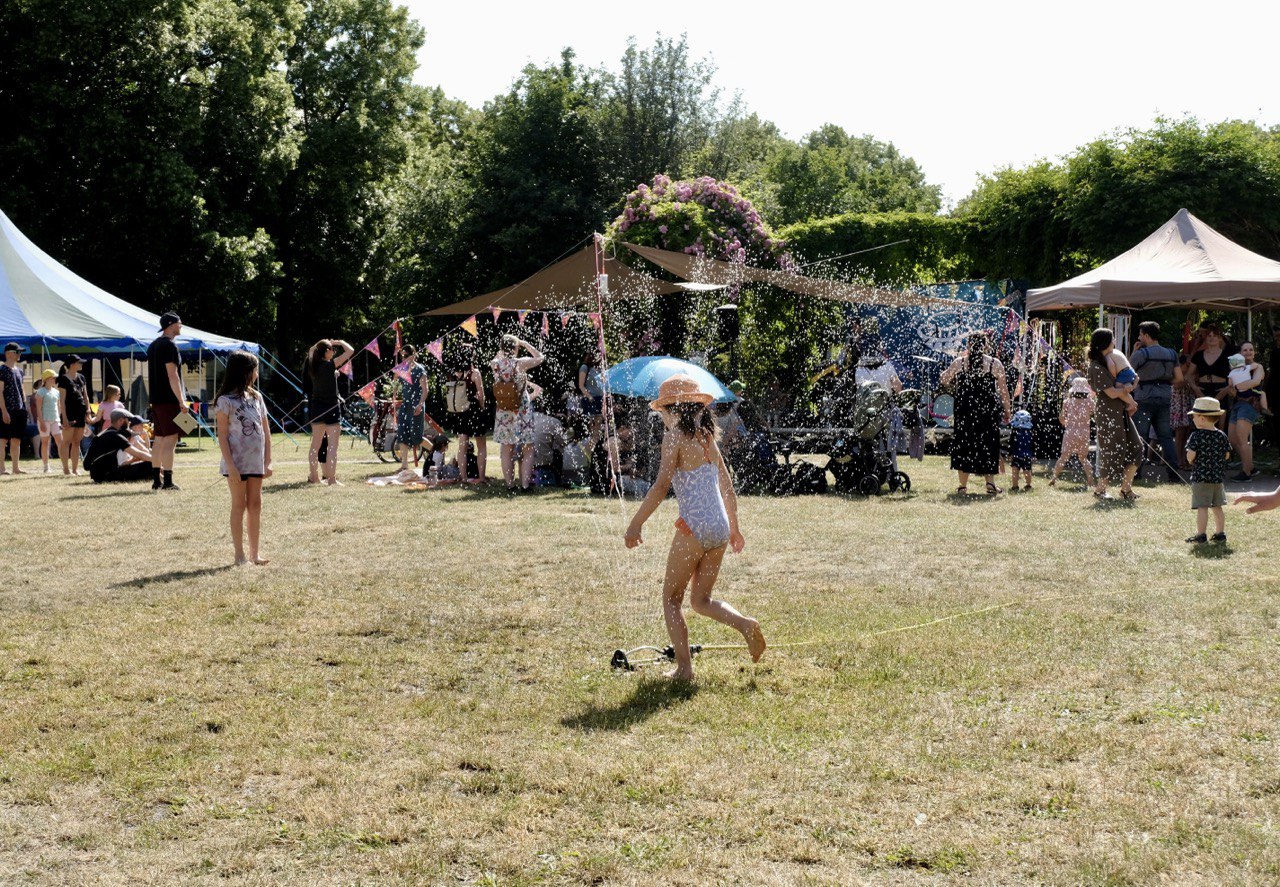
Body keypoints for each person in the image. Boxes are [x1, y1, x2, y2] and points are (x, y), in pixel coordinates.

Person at [624, 374, 765, 681]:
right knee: (701, 600)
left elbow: (661, 486)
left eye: (663, 410)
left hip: (694, 527)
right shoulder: (707, 437)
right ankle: (745, 624)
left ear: (672, 409)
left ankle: (684, 669)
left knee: (671, 599)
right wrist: (734, 529)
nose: (662, 417)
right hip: (719, 527)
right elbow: (727, 486)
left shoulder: (674, 436)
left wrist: (636, 524)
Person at [215, 351, 272, 565]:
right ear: (245, 372)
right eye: (255, 370)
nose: (257, 373)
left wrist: (268, 461)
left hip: (256, 462)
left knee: (255, 504)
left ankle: (255, 554)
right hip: (236, 464)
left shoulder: (256, 397)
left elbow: (266, 431)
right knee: (239, 505)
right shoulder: (225, 401)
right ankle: (239, 555)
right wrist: (231, 466)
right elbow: (222, 436)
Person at [939, 330, 1012, 495]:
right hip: (987, 412)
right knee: (988, 444)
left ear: (969, 345)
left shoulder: (959, 363)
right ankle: (990, 483)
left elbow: (944, 379)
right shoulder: (995, 364)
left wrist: (950, 370)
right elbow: (1004, 391)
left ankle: (962, 486)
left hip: (965, 411)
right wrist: (1008, 411)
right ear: (985, 345)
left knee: (964, 444)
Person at [1086, 328, 1142, 501]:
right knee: (1112, 451)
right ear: (1105, 343)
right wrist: (1128, 391)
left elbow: (1122, 386)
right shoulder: (1096, 366)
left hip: (1120, 410)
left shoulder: (1110, 361)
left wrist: (1130, 390)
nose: (1115, 341)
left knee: (1137, 447)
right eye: (1112, 339)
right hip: (1107, 413)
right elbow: (1111, 393)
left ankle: (1126, 489)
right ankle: (1100, 490)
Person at [491, 334, 544, 493]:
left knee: (506, 449)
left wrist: (503, 349)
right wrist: (525, 344)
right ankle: (525, 485)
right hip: (522, 409)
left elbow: (498, 357)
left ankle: (510, 485)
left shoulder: (495, 364)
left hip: (504, 410)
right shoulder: (520, 363)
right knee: (528, 447)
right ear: (515, 348)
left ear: (501, 348)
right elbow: (540, 357)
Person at [1130, 321, 1180, 480]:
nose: (1139, 338)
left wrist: (1134, 352)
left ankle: (1136, 472)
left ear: (1146, 335)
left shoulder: (1141, 354)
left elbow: (1128, 373)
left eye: (1140, 335)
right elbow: (1179, 378)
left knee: (1140, 436)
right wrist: (1164, 383)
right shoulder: (1172, 353)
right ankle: (1174, 473)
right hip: (1165, 396)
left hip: (1144, 397)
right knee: (1166, 437)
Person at [147, 313, 190, 490]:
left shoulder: (153, 345)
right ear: (171, 325)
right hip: (168, 399)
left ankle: (156, 481)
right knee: (170, 440)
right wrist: (181, 400)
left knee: (159, 439)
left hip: (156, 399)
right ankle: (168, 482)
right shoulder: (170, 345)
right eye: (179, 323)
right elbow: (172, 375)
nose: (181, 326)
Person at [304, 338, 354, 485]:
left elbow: (311, 350)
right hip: (332, 408)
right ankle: (331, 479)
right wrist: (339, 342)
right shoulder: (330, 365)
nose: (334, 352)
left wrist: (322, 343)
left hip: (317, 409)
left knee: (315, 446)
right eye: (332, 349)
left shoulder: (312, 365)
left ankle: (314, 477)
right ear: (326, 351)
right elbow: (350, 351)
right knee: (332, 447)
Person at [1185, 396, 1230, 544]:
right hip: (1217, 478)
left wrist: (1190, 460)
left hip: (1201, 478)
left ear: (1202, 418)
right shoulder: (1222, 435)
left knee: (1202, 507)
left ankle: (1201, 535)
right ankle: (1220, 533)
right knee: (1217, 507)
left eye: (1194, 416)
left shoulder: (1196, 435)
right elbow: (1227, 455)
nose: (1193, 419)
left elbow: (1191, 455)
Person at [443, 344, 488, 484]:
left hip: (461, 412)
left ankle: (463, 478)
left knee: (462, 447)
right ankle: (481, 478)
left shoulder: (455, 373)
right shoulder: (475, 373)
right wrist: (482, 407)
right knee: (481, 446)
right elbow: (481, 395)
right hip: (474, 411)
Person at [1224, 343, 1266, 480]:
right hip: (1237, 404)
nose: (1248, 352)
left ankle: (1246, 473)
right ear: (1240, 353)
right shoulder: (1235, 369)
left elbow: (1255, 382)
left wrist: (1238, 385)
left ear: (1254, 352)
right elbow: (1232, 391)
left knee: (1242, 438)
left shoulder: (1258, 367)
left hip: (1250, 405)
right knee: (1232, 439)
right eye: (1245, 350)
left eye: (1251, 350)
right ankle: (1251, 467)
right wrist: (1232, 390)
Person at [1049, 377, 1096, 489]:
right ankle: (1090, 481)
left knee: (1064, 457)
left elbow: (1061, 418)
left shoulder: (1067, 402)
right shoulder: (1090, 402)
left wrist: (1066, 423)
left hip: (1070, 431)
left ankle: (1054, 479)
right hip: (1084, 432)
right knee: (1083, 458)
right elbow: (1094, 414)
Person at [84, 409, 153, 483]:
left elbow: (86, 465)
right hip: (106, 475)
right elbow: (139, 454)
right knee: (150, 465)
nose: (129, 423)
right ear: (121, 420)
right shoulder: (116, 436)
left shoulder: (106, 433)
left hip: (98, 474)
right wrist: (157, 462)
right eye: (128, 420)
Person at [1190, 324, 1231, 429]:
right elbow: (1188, 375)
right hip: (1203, 390)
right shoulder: (1198, 355)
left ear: (1220, 338)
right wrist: (1195, 388)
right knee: (1203, 423)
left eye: (1215, 336)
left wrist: (1227, 389)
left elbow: (1236, 376)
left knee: (1220, 426)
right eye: (1209, 336)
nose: (1212, 338)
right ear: (1205, 338)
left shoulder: (1228, 356)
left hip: (1221, 389)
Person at [57, 355, 91, 477]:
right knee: (66, 442)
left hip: (81, 413)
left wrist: (88, 411)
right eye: (79, 362)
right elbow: (62, 401)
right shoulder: (63, 379)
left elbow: (85, 396)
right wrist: (64, 418)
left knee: (77, 442)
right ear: (72, 364)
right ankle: (66, 470)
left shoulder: (81, 377)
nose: (81, 364)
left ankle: (75, 469)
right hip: (69, 413)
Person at [394, 346, 427, 471]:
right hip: (405, 406)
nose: (404, 358)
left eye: (406, 355)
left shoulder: (420, 369)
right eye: (402, 356)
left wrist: (420, 404)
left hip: (416, 405)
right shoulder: (403, 369)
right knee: (402, 434)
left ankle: (437, 450)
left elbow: (425, 390)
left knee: (416, 437)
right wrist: (394, 391)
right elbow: (396, 384)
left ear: (413, 354)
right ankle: (404, 466)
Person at [0, 342, 28, 475]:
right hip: (6, 409)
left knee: (16, 439)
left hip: (20, 410)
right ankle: (1, 469)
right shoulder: (2, 370)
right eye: (17, 352)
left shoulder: (19, 371)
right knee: (3, 439)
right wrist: (4, 411)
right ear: (9, 354)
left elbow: (22, 390)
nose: (19, 354)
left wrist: (25, 407)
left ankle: (15, 468)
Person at [34, 368, 68, 474]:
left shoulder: (56, 392)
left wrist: (59, 419)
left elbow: (58, 407)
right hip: (44, 420)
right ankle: (46, 466)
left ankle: (64, 466)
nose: (55, 379)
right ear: (47, 379)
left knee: (60, 441)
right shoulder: (40, 392)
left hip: (55, 420)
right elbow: (38, 409)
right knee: (45, 442)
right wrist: (42, 422)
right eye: (53, 378)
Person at [1171, 354, 1200, 468]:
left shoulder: (1191, 376)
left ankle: (1185, 460)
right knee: (1180, 434)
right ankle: (1179, 461)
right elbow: (1176, 385)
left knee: (1187, 433)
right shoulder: (1176, 375)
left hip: (1187, 405)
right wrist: (1189, 380)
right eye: (1188, 365)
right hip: (1179, 406)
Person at [1009, 409, 1034, 491]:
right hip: (1027, 455)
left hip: (1016, 454)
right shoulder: (1030, 432)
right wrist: (1033, 454)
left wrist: (1010, 453)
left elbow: (1011, 443)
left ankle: (1015, 486)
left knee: (1015, 470)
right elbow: (1033, 444)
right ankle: (1028, 485)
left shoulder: (1014, 431)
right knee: (1027, 470)